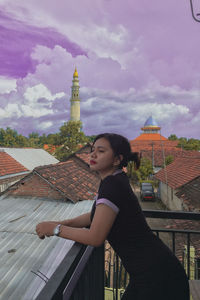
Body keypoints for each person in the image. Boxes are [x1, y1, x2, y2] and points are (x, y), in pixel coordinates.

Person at [36, 133, 189, 300]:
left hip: (157, 277)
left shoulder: (112, 185)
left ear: (117, 159)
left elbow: (95, 237)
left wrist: (55, 229)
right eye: (93, 150)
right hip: (151, 271)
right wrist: (61, 223)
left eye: (100, 151)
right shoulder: (114, 179)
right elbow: (95, 216)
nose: (92, 154)